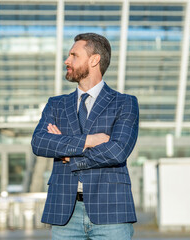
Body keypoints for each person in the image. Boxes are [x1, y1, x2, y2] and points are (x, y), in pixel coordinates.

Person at [31, 33, 139, 239]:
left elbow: (117, 151)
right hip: (65, 212)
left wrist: (69, 155)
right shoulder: (56, 104)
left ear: (94, 59)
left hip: (112, 211)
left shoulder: (125, 103)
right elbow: (39, 142)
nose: (67, 60)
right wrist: (89, 141)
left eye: (74, 55)